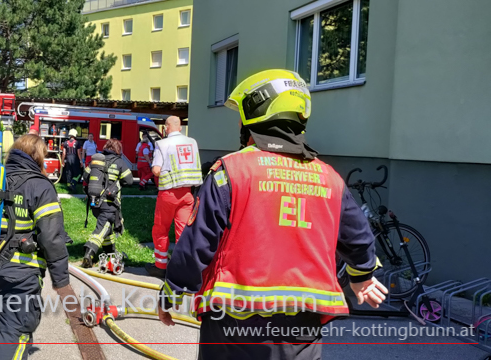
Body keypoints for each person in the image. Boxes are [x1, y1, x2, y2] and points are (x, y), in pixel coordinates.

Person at [157, 70, 387, 360]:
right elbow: (358, 237)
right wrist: (362, 276)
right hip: (302, 328)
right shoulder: (329, 178)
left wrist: (172, 291)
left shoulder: (232, 171)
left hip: (235, 323)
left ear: (253, 116)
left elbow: (197, 242)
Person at [0, 134, 70, 360]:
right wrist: (62, 282)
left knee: (1, 321)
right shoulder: (40, 186)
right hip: (21, 274)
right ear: (37, 155)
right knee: (17, 333)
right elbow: (52, 238)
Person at [145, 116, 202, 278]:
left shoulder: (162, 144)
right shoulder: (192, 143)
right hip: (188, 194)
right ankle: (182, 267)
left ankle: (160, 266)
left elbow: (156, 170)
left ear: (166, 128)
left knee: (161, 230)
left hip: (168, 194)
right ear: (180, 128)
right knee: (183, 231)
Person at [80, 139, 133, 268]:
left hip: (95, 202)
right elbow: (129, 180)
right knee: (102, 227)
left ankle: (110, 253)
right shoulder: (119, 162)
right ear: (118, 149)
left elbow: (85, 176)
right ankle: (89, 252)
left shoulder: (96, 161)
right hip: (110, 204)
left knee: (107, 227)